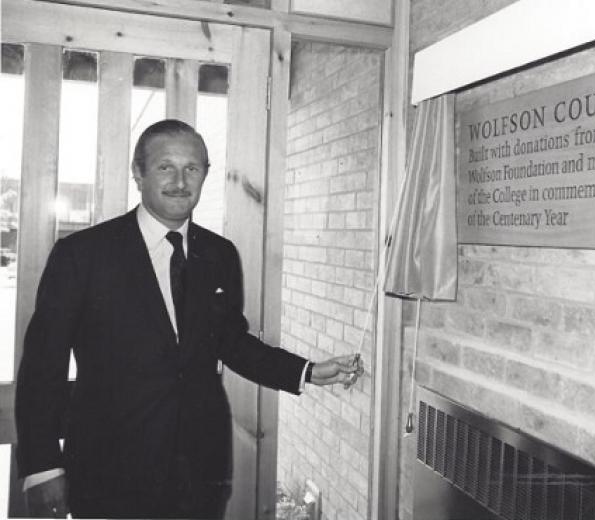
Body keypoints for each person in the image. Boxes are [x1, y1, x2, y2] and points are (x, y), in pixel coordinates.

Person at [14, 119, 364, 519]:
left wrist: (307, 371)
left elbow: (231, 341)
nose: (180, 181)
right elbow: (43, 366)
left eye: (192, 168)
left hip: (200, 473)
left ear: (204, 174)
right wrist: (42, 466)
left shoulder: (220, 255)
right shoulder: (81, 255)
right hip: (108, 471)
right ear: (138, 172)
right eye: (166, 167)